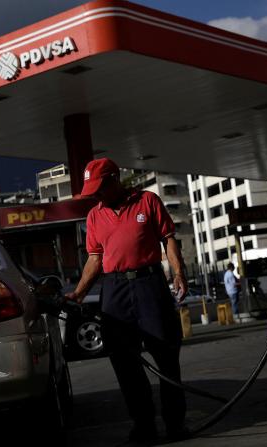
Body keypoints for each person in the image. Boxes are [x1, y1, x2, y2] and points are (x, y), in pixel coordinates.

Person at [65, 158, 189, 442]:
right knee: (124, 361)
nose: (97, 195)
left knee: (166, 355)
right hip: (115, 289)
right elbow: (95, 259)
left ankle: (175, 424)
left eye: (100, 188)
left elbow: (169, 239)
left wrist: (178, 273)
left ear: (115, 179)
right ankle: (144, 426)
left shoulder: (147, 201)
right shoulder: (94, 216)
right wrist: (79, 293)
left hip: (150, 283)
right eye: (92, 190)